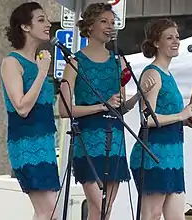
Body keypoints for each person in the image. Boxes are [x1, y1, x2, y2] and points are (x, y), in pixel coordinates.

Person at [58, 3, 155, 220]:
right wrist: (102, 105)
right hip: (88, 140)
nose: (110, 26)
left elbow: (120, 107)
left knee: (103, 211)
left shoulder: (118, 61)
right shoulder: (75, 62)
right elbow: (64, 109)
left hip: (115, 137)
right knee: (99, 207)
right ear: (89, 26)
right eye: (104, 21)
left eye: (113, 22)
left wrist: (139, 96)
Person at [130, 18, 192, 220]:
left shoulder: (168, 75)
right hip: (153, 154)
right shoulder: (152, 73)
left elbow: (165, 116)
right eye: (169, 37)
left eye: (177, 37)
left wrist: (184, 120)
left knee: (177, 216)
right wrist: (180, 115)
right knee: (151, 215)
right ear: (156, 43)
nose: (176, 41)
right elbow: (147, 119)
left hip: (172, 154)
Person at [0, 2, 60, 220]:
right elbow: (22, 107)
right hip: (26, 144)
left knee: (45, 212)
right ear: (25, 27)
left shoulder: (38, 61)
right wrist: (42, 73)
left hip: (45, 144)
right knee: (50, 212)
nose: (47, 25)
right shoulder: (12, 62)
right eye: (41, 20)